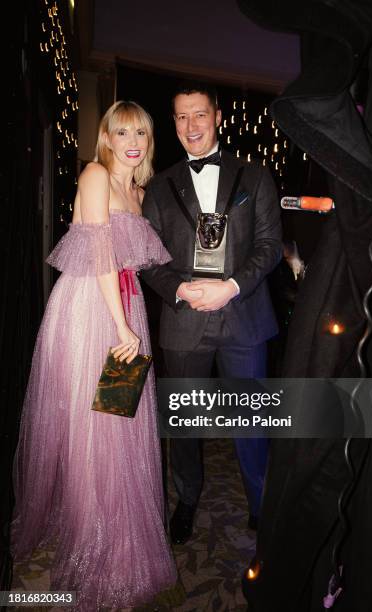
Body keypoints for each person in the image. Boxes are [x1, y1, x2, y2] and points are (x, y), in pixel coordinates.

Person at [11, 101, 182, 610]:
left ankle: (118, 530)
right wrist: (122, 324)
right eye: (122, 131)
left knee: (118, 425)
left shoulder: (138, 191)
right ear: (106, 137)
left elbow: (137, 264)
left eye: (142, 134)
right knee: (93, 428)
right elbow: (102, 253)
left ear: (149, 142)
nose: (133, 141)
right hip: (90, 311)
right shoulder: (95, 175)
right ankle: (92, 539)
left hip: (123, 308)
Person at [142, 81, 282, 545]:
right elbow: (149, 258)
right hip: (183, 322)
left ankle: (261, 505)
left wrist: (232, 287)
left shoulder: (256, 176)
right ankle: (187, 499)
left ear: (217, 116)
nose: (190, 126)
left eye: (199, 114)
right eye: (181, 117)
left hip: (243, 316)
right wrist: (179, 288)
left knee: (250, 421)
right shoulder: (159, 187)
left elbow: (269, 247)